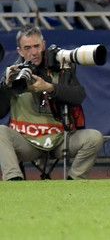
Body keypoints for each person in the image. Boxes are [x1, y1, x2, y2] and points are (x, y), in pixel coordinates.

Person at [0, 26, 104, 180]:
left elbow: (79, 96)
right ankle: (15, 180)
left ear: (44, 45)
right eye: (27, 48)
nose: (33, 52)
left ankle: (74, 182)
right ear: (20, 51)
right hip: (26, 142)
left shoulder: (61, 68)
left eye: (36, 46)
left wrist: (49, 88)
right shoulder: (14, 74)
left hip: (60, 140)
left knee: (94, 137)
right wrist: (5, 87)